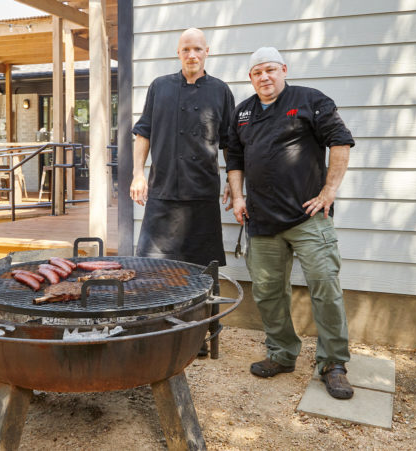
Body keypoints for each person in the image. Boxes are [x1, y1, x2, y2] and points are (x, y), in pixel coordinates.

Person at [226, 47, 356, 399]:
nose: (264, 77)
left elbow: (340, 141)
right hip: (262, 220)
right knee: (268, 293)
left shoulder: (311, 100)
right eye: (257, 73)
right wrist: (238, 197)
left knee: (325, 287)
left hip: (309, 218)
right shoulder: (243, 113)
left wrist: (329, 191)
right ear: (250, 77)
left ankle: (334, 364)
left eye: (270, 70)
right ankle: (282, 354)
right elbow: (234, 158)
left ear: (283, 69)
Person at [130, 28, 235, 355]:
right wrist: (137, 173)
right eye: (186, 49)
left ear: (207, 52)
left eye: (198, 49)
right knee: (150, 267)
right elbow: (143, 133)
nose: (192, 55)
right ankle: (154, 333)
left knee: (202, 272)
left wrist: (233, 180)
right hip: (162, 193)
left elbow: (230, 142)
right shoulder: (160, 87)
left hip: (202, 196)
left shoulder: (220, 91)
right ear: (178, 52)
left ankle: (200, 336)